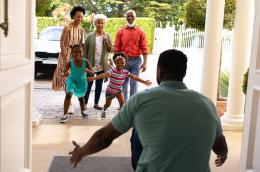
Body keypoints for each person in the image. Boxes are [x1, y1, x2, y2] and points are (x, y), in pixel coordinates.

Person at [69, 49, 228, 171]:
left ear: (159, 71)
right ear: (184, 73)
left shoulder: (141, 100)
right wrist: (222, 154)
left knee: (138, 127)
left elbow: (105, 136)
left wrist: (81, 152)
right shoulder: (208, 104)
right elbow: (219, 145)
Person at [87, 52, 151, 119]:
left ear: (125, 63)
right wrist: (93, 78)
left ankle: (122, 116)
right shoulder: (112, 71)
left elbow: (134, 77)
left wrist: (144, 81)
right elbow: (103, 75)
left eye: (122, 63)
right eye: (118, 63)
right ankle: (104, 109)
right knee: (107, 104)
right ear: (115, 63)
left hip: (118, 91)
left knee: (122, 104)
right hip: (110, 91)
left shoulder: (125, 72)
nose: (120, 65)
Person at [52, 6, 86, 114]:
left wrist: (81, 58)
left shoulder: (81, 29)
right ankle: (69, 103)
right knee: (67, 79)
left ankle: (70, 101)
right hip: (66, 54)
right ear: (73, 16)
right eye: (77, 17)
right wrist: (65, 57)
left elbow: (81, 45)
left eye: (81, 17)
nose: (79, 19)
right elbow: (62, 42)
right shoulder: (68, 27)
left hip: (76, 56)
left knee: (74, 78)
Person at [114, 9, 148, 101]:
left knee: (134, 83)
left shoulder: (140, 32)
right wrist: (116, 61)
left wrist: (145, 63)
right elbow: (116, 48)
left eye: (132, 16)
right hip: (123, 62)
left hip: (136, 61)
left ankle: (132, 103)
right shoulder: (120, 32)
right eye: (128, 16)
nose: (130, 17)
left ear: (135, 17)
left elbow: (144, 48)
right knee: (123, 83)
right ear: (125, 17)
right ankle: (124, 103)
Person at [84, 14, 113, 111]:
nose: (100, 25)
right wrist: (85, 65)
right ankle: (85, 103)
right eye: (98, 23)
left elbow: (111, 50)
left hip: (102, 65)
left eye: (102, 23)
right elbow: (84, 51)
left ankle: (96, 103)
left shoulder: (107, 35)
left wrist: (106, 42)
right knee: (88, 84)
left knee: (99, 85)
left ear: (104, 24)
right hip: (90, 64)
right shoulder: (89, 36)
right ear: (95, 23)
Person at [60, 44, 93, 123]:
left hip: (82, 83)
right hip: (72, 81)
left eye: (79, 52)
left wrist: (88, 71)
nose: (77, 54)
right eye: (75, 52)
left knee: (81, 98)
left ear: (82, 53)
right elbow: (63, 72)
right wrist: (64, 74)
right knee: (69, 95)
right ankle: (65, 114)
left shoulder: (86, 62)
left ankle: (83, 111)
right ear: (72, 53)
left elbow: (92, 73)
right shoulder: (70, 63)